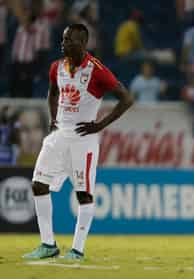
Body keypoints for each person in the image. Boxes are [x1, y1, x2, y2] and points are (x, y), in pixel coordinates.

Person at [22, 23, 134, 260]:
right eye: (63, 39)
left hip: (83, 139)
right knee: (38, 185)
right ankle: (48, 244)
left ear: (83, 43)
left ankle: (77, 249)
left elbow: (126, 98)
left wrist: (99, 125)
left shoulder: (97, 70)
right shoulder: (57, 67)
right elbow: (52, 92)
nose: (63, 44)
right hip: (59, 135)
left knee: (83, 194)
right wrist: (53, 118)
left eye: (69, 40)